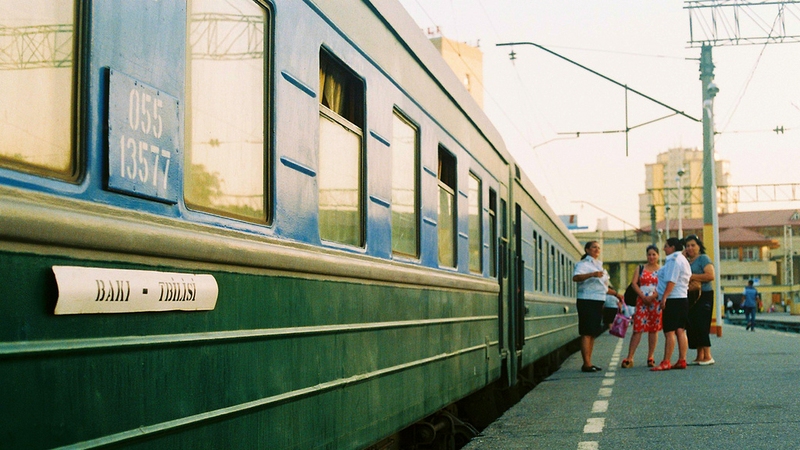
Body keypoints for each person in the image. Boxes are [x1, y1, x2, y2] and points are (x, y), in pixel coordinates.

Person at [573, 241, 623, 373]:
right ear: (587, 250)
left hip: (598, 300)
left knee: (593, 332)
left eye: (598, 248)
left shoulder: (600, 265)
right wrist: (592, 274)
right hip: (586, 300)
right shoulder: (583, 264)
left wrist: (617, 295)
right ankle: (586, 363)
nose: (596, 250)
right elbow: (576, 277)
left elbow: (604, 287)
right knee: (586, 331)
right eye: (594, 247)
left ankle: (589, 361)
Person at [650, 238, 692, 371]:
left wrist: (664, 298)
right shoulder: (683, 259)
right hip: (682, 297)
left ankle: (666, 361)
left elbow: (671, 281)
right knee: (680, 329)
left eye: (666, 246)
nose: (664, 249)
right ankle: (682, 359)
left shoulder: (674, 260)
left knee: (669, 331)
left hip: (673, 299)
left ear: (673, 247)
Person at [621, 245, 662, 368]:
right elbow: (634, 283)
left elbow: (664, 285)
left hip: (655, 301)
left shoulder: (662, 270)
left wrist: (652, 297)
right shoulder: (640, 268)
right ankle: (630, 357)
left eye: (654, 254)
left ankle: (650, 356)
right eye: (649, 254)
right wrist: (643, 297)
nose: (651, 257)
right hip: (641, 301)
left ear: (658, 255)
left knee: (653, 329)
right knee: (638, 329)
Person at [684, 235, 715, 366]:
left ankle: (708, 355)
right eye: (687, 246)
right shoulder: (686, 261)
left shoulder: (703, 258)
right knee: (693, 324)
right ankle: (699, 355)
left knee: (702, 324)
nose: (690, 248)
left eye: (693, 245)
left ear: (699, 246)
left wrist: (690, 276)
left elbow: (710, 275)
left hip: (704, 294)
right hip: (691, 296)